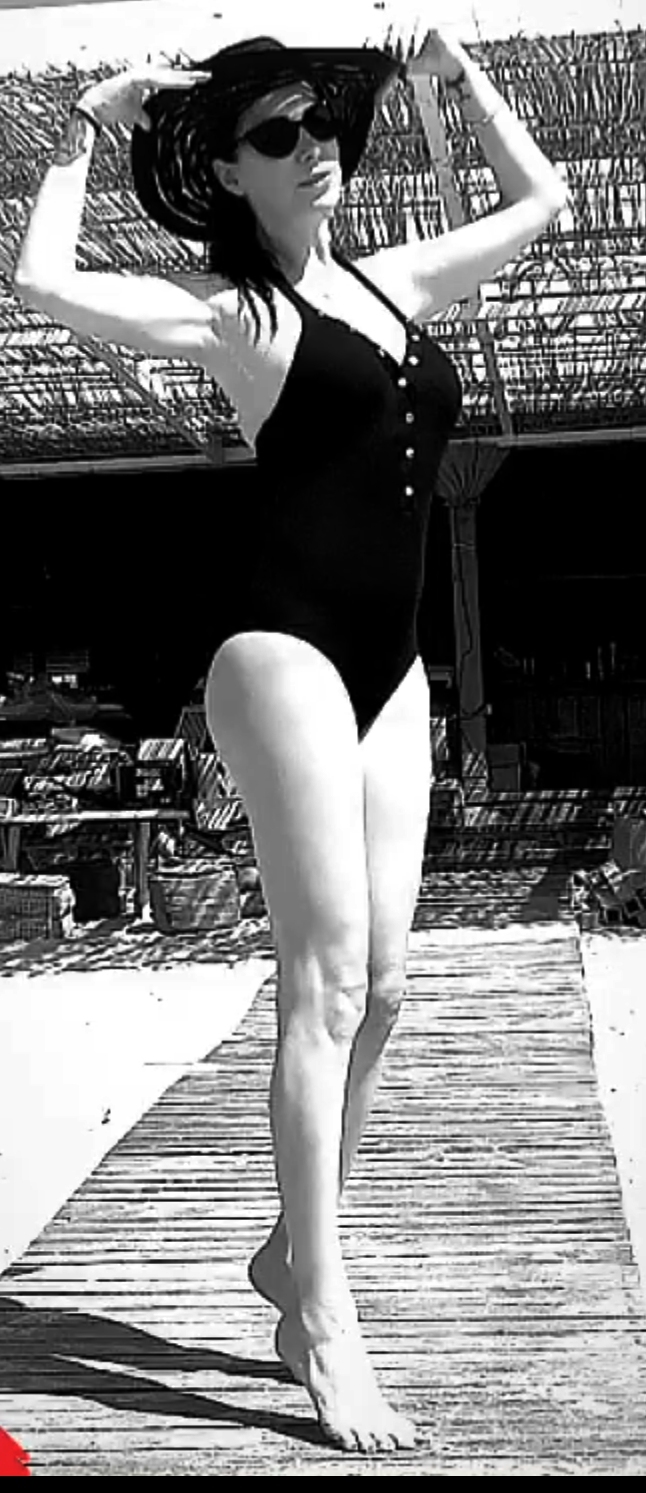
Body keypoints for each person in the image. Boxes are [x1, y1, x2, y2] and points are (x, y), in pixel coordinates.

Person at [14, 29, 567, 1455]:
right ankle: (322, 1315)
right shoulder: (233, 316)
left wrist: (455, 77)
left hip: (392, 672)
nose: (311, 148)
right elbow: (42, 284)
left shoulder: (390, 285)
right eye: (273, 135)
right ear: (226, 171)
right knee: (319, 989)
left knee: (383, 989)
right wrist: (82, 130)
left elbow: (544, 200)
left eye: (319, 124)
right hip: (281, 658)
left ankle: (288, 1248)